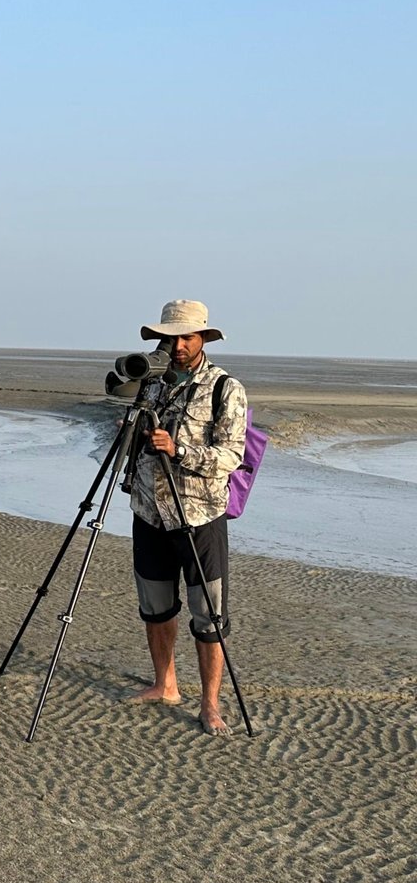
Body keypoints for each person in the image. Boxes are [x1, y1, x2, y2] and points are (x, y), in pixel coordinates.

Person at [126, 299, 248, 735]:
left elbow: (231, 456)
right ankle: (166, 685)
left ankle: (210, 704)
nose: (178, 346)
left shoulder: (224, 388)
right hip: (149, 512)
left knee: (209, 616)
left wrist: (179, 450)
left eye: (187, 337)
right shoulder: (152, 384)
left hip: (199, 516)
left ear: (203, 339)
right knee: (155, 607)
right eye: (171, 337)